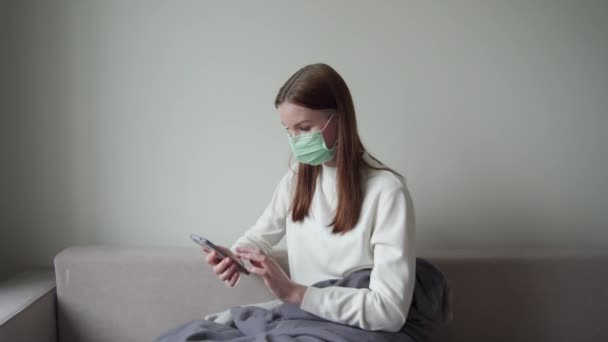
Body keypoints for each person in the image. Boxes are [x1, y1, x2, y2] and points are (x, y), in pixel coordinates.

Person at [202, 63, 416, 333]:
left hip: (353, 329)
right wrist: (234, 257)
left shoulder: (387, 191)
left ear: (339, 119)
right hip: (304, 320)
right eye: (287, 130)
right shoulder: (296, 180)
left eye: (304, 128)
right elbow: (258, 238)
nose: (295, 140)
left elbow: (389, 311)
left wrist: (295, 293)